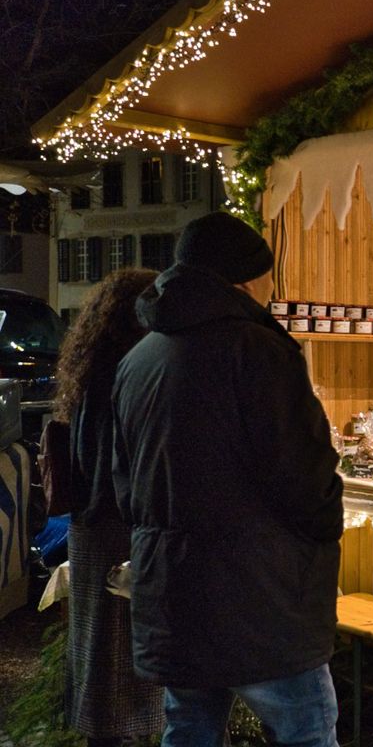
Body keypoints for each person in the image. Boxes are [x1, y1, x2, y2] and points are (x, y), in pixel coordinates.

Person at [111, 213, 343, 747]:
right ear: (243, 279)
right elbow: (302, 475)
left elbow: (128, 488)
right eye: (268, 276)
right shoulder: (258, 349)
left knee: (188, 729)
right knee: (306, 731)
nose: (271, 289)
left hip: (174, 594)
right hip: (261, 600)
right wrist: (326, 524)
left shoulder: (139, 358)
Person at [56, 268, 162, 747]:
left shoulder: (89, 376)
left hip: (87, 531)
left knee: (97, 663)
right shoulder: (137, 374)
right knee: (131, 672)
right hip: (123, 531)